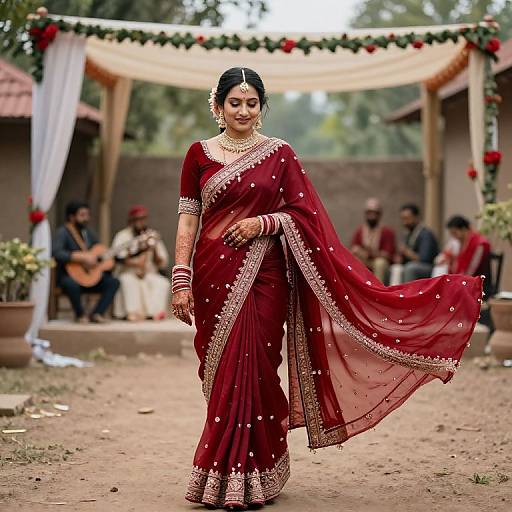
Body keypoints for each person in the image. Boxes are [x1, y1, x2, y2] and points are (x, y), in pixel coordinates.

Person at [171, 68, 482, 510]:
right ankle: (220, 473)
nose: (243, 111)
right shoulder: (198, 155)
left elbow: (306, 216)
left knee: (258, 366)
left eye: (252, 103)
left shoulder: (279, 155)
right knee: (222, 373)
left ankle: (254, 474)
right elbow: (188, 218)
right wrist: (180, 275)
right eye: (235, 102)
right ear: (217, 105)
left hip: (265, 275)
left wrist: (267, 221)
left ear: (262, 107)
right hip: (211, 276)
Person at [53, 200, 119, 324]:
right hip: (69, 277)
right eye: (82, 215)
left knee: (113, 282)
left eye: (87, 215)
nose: (86, 218)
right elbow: (56, 253)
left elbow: (98, 252)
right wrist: (81, 257)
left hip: (90, 276)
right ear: (72, 217)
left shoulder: (88, 233)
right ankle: (80, 314)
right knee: (71, 284)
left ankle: (97, 313)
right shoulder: (63, 232)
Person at [112, 205, 170, 321]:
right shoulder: (123, 236)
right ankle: (132, 313)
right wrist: (136, 261)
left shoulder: (151, 235)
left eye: (143, 219)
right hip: (128, 272)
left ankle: (154, 313)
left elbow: (162, 261)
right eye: (137, 219)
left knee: (162, 283)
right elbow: (117, 257)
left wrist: (153, 249)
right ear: (131, 221)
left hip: (148, 272)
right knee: (128, 281)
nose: (140, 222)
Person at [390, 203, 439, 284]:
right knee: (396, 268)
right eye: (403, 219)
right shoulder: (408, 234)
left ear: (416, 217)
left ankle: (408, 295)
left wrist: (406, 251)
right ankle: (394, 294)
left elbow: (424, 259)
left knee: (410, 268)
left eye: (407, 219)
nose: (405, 222)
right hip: (411, 265)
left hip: (428, 267)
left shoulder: (425, 234)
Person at [351, 198, 396, 284]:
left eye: (375, 213)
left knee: (380, 263)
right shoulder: (360, 231)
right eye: (369, 213)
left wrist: (369, 253)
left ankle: (377, 290)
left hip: (379, 263)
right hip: (364, 261)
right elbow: (353, 249)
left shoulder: (387, 232)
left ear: (379, 215)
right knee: (355, 261)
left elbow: (387, 255)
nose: (372, 216)